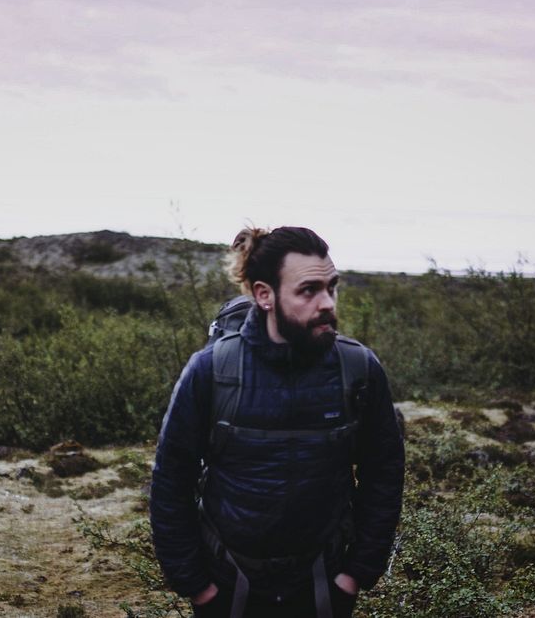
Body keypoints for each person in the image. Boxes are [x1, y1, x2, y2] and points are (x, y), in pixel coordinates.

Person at [150, 226, 404, 618]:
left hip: (323, 583)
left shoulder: (358, 369)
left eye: (331, 287)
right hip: (229, 583)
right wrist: (197, 586)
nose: (327, 303)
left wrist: (355, 575)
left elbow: (384, 472)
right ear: (264, 295)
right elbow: (171, 479)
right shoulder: (211, 370)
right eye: (308, 290)